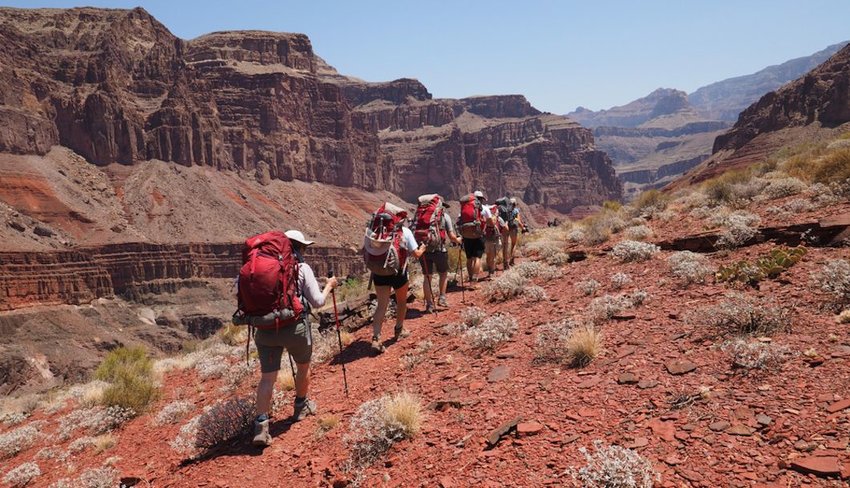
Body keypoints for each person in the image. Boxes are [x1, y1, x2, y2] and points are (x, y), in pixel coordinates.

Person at [252, 229, 338, 447]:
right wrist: (329, 285)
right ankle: (301, 407)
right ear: (298, 248)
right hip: (295, 328)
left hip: (265, 328)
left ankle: (261, 425)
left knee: (267, 378)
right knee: (303, 367)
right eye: (304, 248)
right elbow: (318, 302)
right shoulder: (302, 268)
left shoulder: (258, 267)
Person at [367, 219, 426, 353]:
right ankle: (399, 330)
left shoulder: (375, 232)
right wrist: (422, 248)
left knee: (382, 305)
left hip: (379, 271)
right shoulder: (405, 232)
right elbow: (416, 254)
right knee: (401, 302)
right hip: (399, 272)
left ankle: (376, 338)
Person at [420, 202, 462, 313]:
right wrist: (458, 240)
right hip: (440, 250)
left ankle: (429, 305)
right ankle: (442, 298)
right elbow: (451, 236)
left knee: (427, 277)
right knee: (443, 274)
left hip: (424, 250)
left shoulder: (420, 215)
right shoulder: (444, 216)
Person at [461, 190, 491, 285]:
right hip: (478, 235)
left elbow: (460, 219)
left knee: (469, 258)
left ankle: (470, 278)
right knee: (477, 258)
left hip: (466, 235)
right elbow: (490, 222)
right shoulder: (484, 208)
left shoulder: (465, 206)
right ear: (481, 199)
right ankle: (474, 282)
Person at [483, 203, 507, 278]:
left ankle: (489, 269)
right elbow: (506, 228)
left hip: (486, 239)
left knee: (488, 256)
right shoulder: (498, 219)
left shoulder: (485, 218)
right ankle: (492, 272)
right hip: (495, 239)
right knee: (493, 257)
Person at [502, 197, 527, 267]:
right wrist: (523, 228)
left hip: (506, 229)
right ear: (515, 204)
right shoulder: (516, 210)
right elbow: (518, 221)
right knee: (513, 244)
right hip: (513, 229)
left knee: (505, 246)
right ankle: (511, 261)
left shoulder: (506, 210)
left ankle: (505, 262)